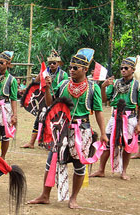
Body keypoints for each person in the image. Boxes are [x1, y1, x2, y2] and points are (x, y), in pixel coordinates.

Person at [28, 48, 108, 209]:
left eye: (75, 68)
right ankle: (45, 195)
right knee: (51, 162)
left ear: (85, 69)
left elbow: (98, 112)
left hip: (83, 130)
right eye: (70, 67)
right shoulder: (64, 84)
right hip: (62, 129)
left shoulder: (93, 88)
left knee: (79, 165)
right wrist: (48, 88)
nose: (71, 70)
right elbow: (51, 104)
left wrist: (103, 133)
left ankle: (73, 198)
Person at [90, 57, 140, 180]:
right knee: (107, 141)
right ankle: (101, 170)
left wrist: (139, 123)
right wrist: (103, 87)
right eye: (121, 68)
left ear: (132, 70)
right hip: (115, 116)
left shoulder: (137, 85)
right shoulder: (115, 83)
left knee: (127, 146)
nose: (123, 70)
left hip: (130, 117)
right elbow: (104, 100)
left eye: (126, 68)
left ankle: (124, 171)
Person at [22, 50, 68, 149]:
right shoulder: (44, 72)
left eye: (54, 63)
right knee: (39, 118)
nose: (51, 65)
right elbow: (35, 82)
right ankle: (31, 142)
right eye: (50, 63)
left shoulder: (63, 75)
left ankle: (54, 141)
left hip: (57, 100)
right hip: (45, 98)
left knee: (56, 121)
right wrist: (28, 89)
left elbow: (64, 86)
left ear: (58, 63)